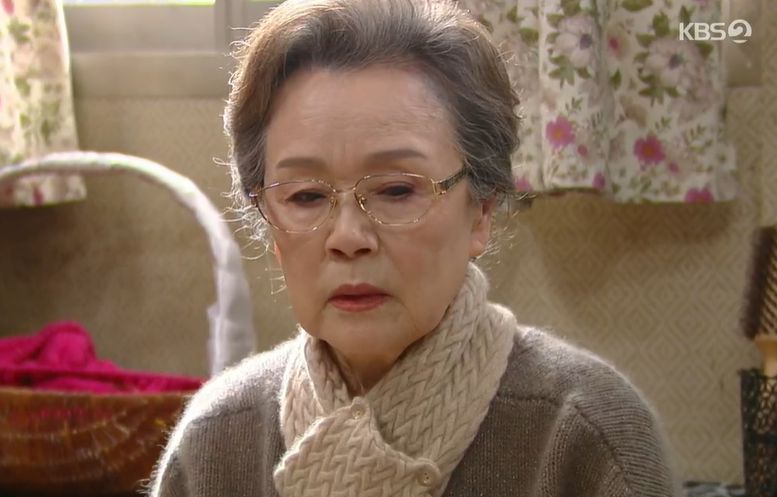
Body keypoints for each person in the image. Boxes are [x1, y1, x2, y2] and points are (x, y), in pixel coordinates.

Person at [148, 0, 679, 496]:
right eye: (306, 196)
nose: (348, 239)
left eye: (397, 190)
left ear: (481, 210)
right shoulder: (216, 441)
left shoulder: (587, 433)